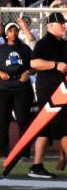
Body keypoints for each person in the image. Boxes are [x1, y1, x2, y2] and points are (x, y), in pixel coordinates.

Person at [0, 22, 34, 161]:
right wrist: (0, 73)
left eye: (16, 30)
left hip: (22, 88)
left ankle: (24, 153)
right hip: (3, 88)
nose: (14, 33)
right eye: (11, 30)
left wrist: (28, 72)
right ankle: (2, 153)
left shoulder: (24, 48)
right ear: (6, 33)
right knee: (3, 121)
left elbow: (34, 65)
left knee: (23, 121)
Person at [27, 12, 67, 178]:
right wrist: (55, 64)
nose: (64, 26)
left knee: (45, 129)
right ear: (50, 25)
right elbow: (34, 63)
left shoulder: (64, 43)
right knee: (64, 126)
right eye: (61, 23)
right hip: (49, 90)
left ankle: (36, 166)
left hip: (62, 91)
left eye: (64, 23)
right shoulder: (44, 43)